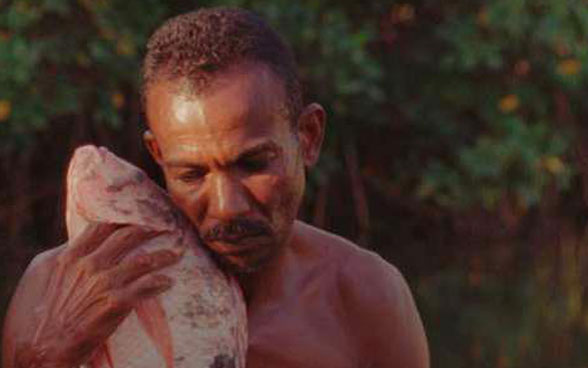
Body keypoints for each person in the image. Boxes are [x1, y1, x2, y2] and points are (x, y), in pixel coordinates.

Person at [2, 7, 429, 368]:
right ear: (158, 156)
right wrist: (48, 356)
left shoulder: (364, 296)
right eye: (191, 174)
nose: (226, 208)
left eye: (253, 163)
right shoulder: (54, 292)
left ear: (309, 137)